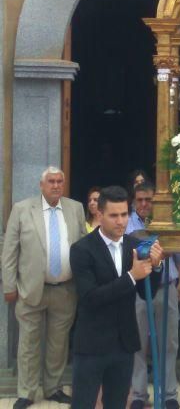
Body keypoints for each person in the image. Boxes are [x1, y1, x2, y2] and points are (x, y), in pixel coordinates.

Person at [70, 185, 163, 409]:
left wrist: (156, 267)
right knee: (83, 404)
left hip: (123, 344)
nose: (121, 221)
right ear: (99, 215)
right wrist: (131, 276)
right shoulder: (82, 249)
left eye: (124, 214)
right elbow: (91, 297)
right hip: (92, 344)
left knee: (117, 404)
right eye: (114, 215)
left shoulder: (134, 245)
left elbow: (144, 291)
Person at [1, 166, 86, 409]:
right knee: (28, 343)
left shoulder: (75, 208)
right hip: (30, 289)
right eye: (51, 181)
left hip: (65, 289)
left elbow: (82, 247)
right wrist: (9, 285)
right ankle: (26, 391)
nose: (56, 185)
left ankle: (53, 388)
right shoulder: (21, 209)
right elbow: (9, 252)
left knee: (58, 344)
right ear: (41, 185)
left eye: (60, 181)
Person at [126, 182, 180, 409]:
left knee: (169, 343)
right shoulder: (127, 224)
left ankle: (169, 394)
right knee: (138, 343)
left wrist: (172, 247)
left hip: (166, 287)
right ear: (134, 201)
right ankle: (138, 395)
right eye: (140, 200)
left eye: (149, 200)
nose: (144, 204)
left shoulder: (169, 223)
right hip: (138, 290)